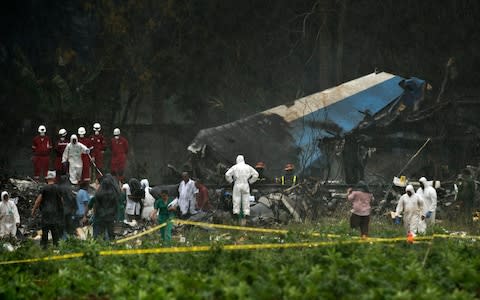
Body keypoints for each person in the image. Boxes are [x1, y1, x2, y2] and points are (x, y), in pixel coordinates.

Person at [31, 171, 64, 249]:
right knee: (55, 232)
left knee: (45, 232)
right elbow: (62, 201)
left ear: (47, 179)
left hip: (46, 213)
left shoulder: (44, 188)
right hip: (55, 214)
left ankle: (44, 248)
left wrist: (33, 210)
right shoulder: (57, 188)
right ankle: (56, 248)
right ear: (54, 179)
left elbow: (38, 201)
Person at [225, 155, 259, 224]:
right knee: (246, 199)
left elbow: (227, 174)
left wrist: (231, 181)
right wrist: (251, 181)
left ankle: (236, 212)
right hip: (245, 184)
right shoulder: (248, 167)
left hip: (237, 183)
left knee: (236, 198)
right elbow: (256, 174)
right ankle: (246, 213)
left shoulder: (235, 167)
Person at [91, 174, 120, 240]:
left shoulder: (98, 194)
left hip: (100, 217)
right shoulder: (114, 195)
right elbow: (116, 207)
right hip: (110, 218)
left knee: (100, 236)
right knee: (111, 235)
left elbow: (96, 207)